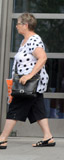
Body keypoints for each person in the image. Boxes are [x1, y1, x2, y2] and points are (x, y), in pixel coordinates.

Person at [0, 13, 55, 149]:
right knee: (37, 109)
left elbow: (42, 58)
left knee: (15, 108)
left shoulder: (34, 40)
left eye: (18, 24)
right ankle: (48, 137)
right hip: (27, 84)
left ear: (25, 25)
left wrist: (29, 76)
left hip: (28, 84)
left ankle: (2, 138)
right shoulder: (25, 40)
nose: (17, 26)